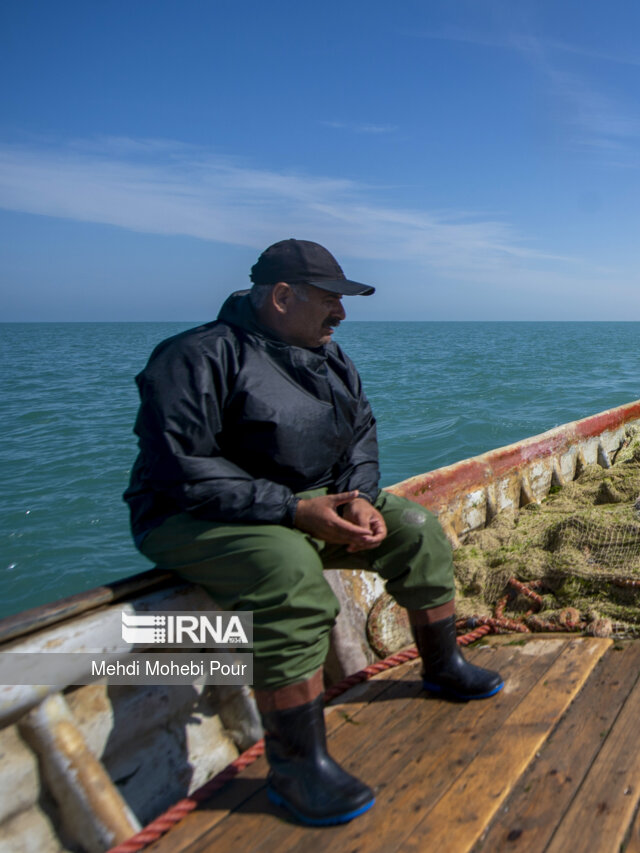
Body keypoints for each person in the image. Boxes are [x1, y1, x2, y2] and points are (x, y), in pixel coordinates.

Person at [123, 239, 502, 827]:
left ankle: (443, 666)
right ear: (280, 296)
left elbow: (361, 433)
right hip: (194, 514)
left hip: (308, 505)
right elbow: (182, 470)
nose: (341, 315)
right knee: (290, 574)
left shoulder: (330, 357)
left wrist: (357, 497)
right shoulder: (194, 356)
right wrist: (294, 512)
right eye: (330, 301)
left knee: (418, 529)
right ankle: (297, 767)